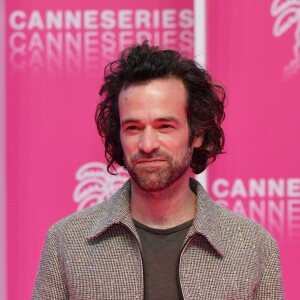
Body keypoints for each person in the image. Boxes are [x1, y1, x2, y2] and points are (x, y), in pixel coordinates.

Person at [32, 41, 284, 299]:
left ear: (196, 134)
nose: (147, 145)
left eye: (165, 126)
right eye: (133, 128)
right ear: (118, 135)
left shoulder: (253, 246)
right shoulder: (66, 243)